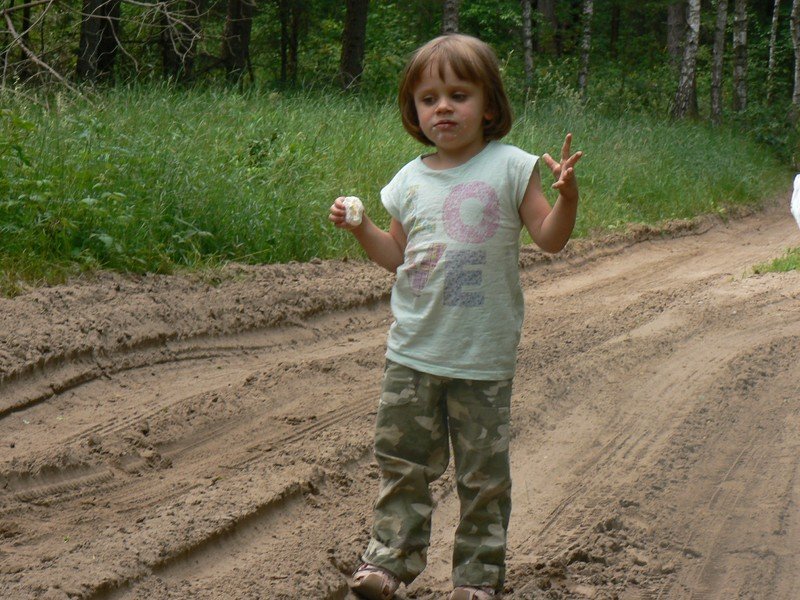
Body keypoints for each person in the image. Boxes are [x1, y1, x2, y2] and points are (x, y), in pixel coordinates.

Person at [328, 33, 582, 600]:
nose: (442, 107)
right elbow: (394, 257)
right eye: (428, 98)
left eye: (459, 94)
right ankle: (388, 561)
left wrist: (567, 200)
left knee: (483, 479)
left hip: (482, 357)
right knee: (403, 464)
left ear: (488, 105)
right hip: (412, 351)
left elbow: (550, 240)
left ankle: (477, 578)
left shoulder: (513, 168)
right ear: (414, 111)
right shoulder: (407, 180)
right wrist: (361, 228)